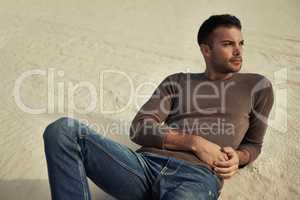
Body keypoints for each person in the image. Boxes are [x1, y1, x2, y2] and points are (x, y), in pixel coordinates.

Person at [43, 14, 274, 200]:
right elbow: (140, 128)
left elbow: (253, 144)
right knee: (62, 130)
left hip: (196, 177)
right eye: (228, 44)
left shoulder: (257, 86)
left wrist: (239, 157)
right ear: (206, 50)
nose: (238, 50)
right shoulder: (177, 81)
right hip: (142, 167)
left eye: (241, 43)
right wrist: (195, 143)